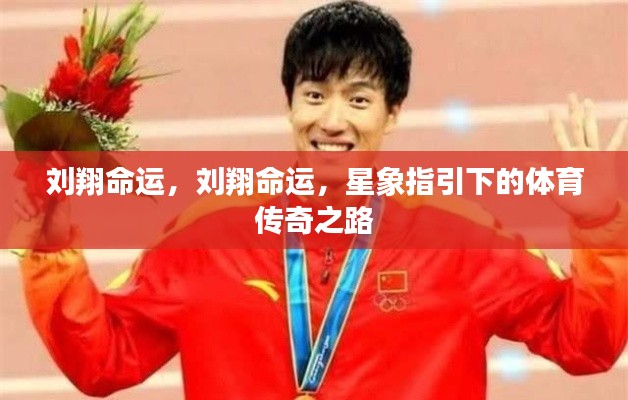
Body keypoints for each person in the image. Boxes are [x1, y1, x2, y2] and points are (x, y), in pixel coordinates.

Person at [12, 1, 627, 399]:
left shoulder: (460, 238)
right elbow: (102, 361)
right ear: (289, 104)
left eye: (358, 100)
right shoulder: (209, 235)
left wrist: (602, 226)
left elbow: (586, 344)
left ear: (393, 114)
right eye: (314, 95)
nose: (332, 120)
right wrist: (50, 250)